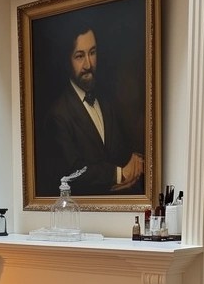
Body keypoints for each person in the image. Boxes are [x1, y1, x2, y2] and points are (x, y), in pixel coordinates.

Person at [36, 17, 144, 196]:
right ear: (67, 61)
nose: (88, 64)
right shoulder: (58, 115)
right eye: (79, 56)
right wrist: (120, 174)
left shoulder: (106, 100)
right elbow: (72, 171)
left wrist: (135, 160)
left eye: (92, 53)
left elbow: (119, 150)